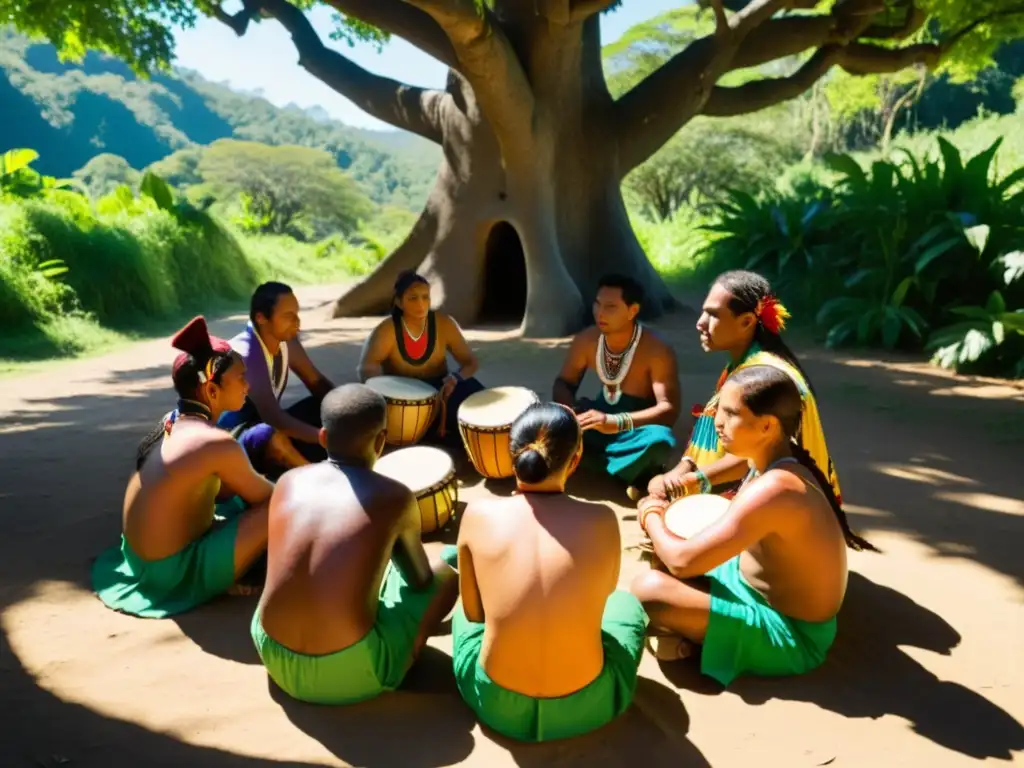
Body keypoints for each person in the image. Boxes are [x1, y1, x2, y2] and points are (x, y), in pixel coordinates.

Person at [630, 365, 878, 686]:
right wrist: (693, 480)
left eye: (731, 414)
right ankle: (696, 624)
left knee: (648, 587)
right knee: (673, 535)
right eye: (719, 409)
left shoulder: (779, 489)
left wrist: (651, 512)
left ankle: (697, 641)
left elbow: (681, 562)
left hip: (789, 631)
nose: (717, 421)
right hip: (746, 580)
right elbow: (738, 463)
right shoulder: (777, 457)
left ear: (766, 426)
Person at [451, 402, 649, 743]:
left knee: (463, 610)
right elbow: (601, 599)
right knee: (626, 606)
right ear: (574, 461)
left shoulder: (478, 514)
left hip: (496, 706)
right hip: (589, 705)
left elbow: (474, 613)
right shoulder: (602, 519)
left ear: (511, 455)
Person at [252, 383, 459, 705]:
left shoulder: (288, 482)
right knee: (447, 571)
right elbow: (420, 581)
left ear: (322, 437)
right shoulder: (393, 496)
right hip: (349, 672)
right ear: (381, 440)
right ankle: (404, 653)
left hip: (271, 649)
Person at [92, 316, 273, 618]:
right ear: (212, 392)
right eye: (241, 377)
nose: (247, 384)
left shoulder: (171, 420)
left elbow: (223, 492)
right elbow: (270, 498)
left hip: (136, 557)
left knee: (236, 499)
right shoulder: (214, 443)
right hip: (174, 573)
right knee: (281, 505)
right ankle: (233, 577)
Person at [643, 270, 841, 508]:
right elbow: (712, 434)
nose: (700, 323)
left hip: (780, 502)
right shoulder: (743, 366)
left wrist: (690, 481)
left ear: (747, 321)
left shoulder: (764, 377)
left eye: (713, 315)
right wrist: (680, 471)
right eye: (703, 312)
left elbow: (758, 450)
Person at [553, 273, 680, 495]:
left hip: (636, 428)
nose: (600, 313)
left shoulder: (657, 349)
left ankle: (596, 464)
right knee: (548, 425)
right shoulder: (586, 340)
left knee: (660, 440)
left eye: (610, 307)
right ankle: (632, 474)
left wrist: (616, 422)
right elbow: (564, 383)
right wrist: (572, 413)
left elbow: (668, 410)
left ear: (633, 311)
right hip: (597, 420)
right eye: (597, 304)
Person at [218, 282, 336, 475]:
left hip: (261, 425)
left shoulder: (285, 340)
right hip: (230, 440)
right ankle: (315, 477)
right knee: (271, 436)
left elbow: (316, 382)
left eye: (297, 314)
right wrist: (323, 436)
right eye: (288, 316)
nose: (297, 322)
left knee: (325, 406)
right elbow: (274, 417)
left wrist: (349, 413)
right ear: (261, 318)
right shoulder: (246, 354)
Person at [357, 270, 484, 443]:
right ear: (399, 302)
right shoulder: (387, 330)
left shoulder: (443, 323)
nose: (421, 304)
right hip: (403, 396)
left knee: (477, 403)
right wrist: (385, 394)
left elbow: (470, 362)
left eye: (425, 297)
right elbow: (368, 367)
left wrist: (455, 378)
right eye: (413, 298)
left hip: (441, 388)